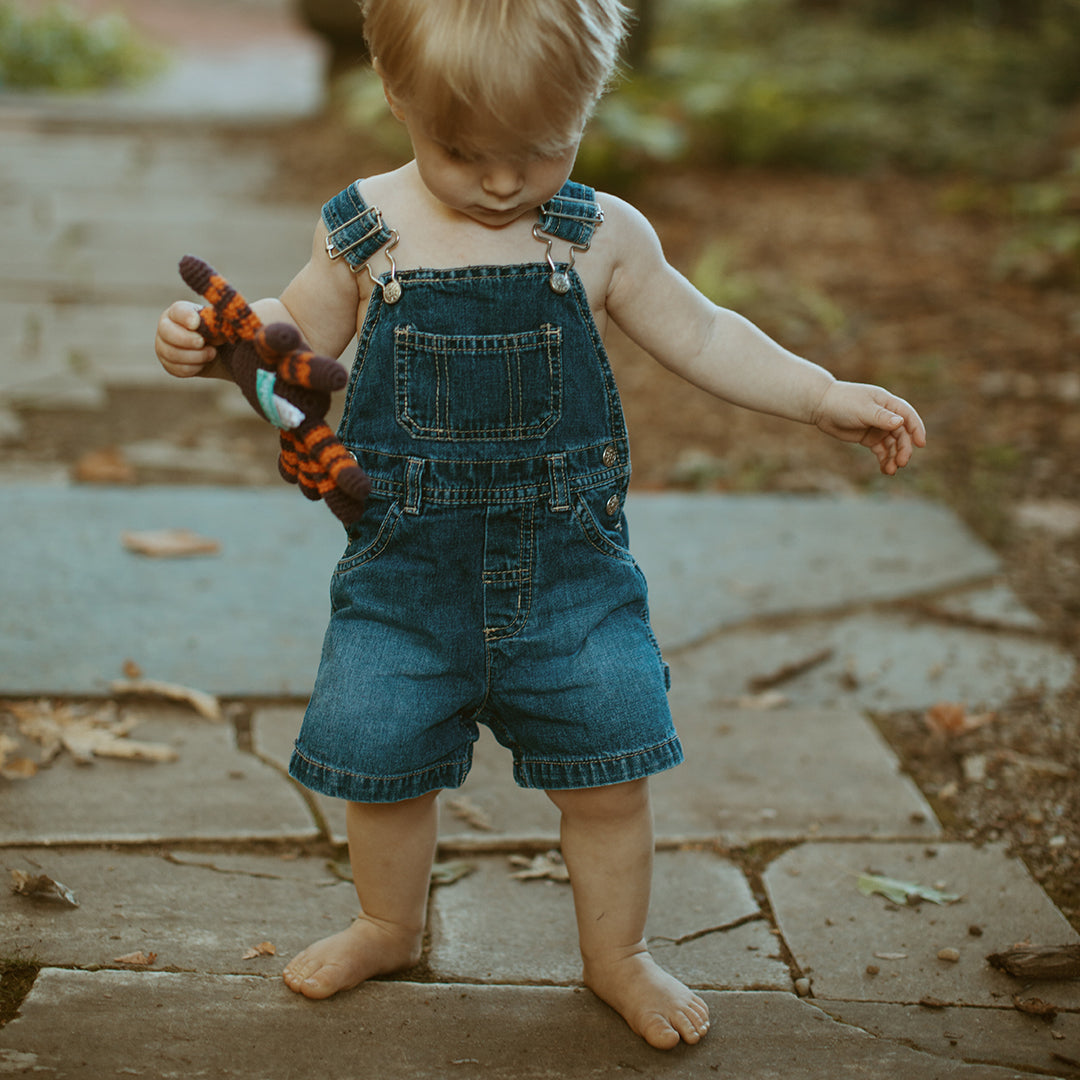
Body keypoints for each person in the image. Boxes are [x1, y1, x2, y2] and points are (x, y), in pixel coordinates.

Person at [154, 0, 925, 1051]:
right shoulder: (366, 228)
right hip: (405, 581)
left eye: (540, 149)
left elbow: (703, 330)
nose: (505, 182)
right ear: (398, 100)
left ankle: (618, 955)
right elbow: (292, 348)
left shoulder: (601, 233)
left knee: (610, 776)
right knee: (383, 768)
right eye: (463, 151)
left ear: (587, 106)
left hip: (571, 580)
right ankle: (389, 922)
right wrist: (215, 343)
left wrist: (817, 392)